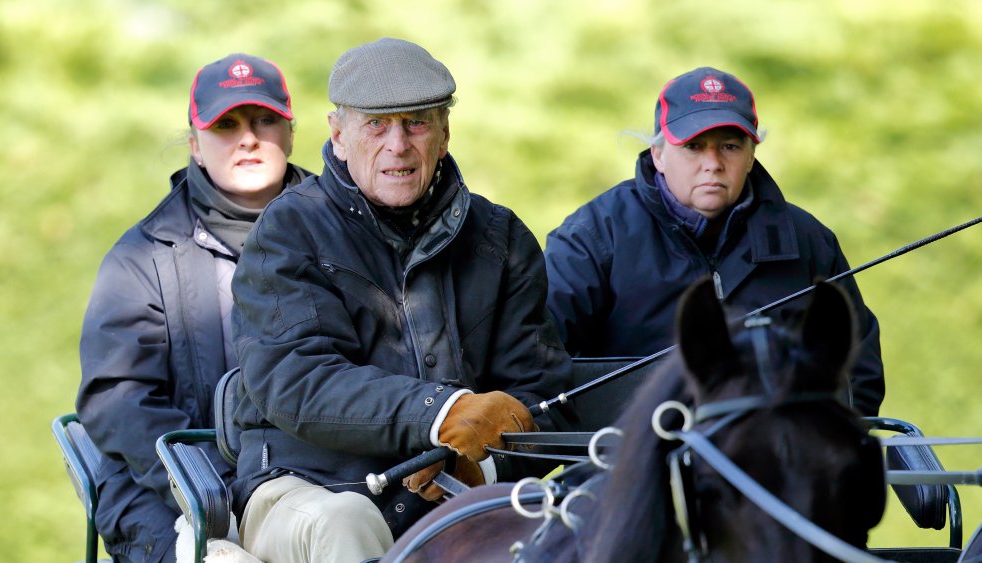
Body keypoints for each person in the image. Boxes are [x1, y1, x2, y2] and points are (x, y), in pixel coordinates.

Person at [229, 37, 575, 562]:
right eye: (376, 124)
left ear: (444, 133)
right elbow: (296, 380)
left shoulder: (500, 238)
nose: (398, 144)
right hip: (306, 488)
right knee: (347, 524)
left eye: (415, 123)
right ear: (338, 136)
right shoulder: (289, 229)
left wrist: (478, 466)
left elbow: (544, 400)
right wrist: (441, 412)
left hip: (459, 504)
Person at [544, 66, 885, 416]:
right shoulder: (593, 236)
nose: (713, 163)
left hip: (777, 460)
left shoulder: (809, 240)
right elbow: (538, 364)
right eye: (693, 146)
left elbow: (858, 369)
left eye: (730, 146)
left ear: (751, 155)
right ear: (658, 155)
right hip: (628, 455)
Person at [76, 53, 310, 562]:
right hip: (172, 497)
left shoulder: (347, 231)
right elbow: (119, 402)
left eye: (264, 119)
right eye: (225, 124)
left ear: (290, 133)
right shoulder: (141, 259)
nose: (247, 137)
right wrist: (218, 493)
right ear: (195, 146)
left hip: (318, 486)